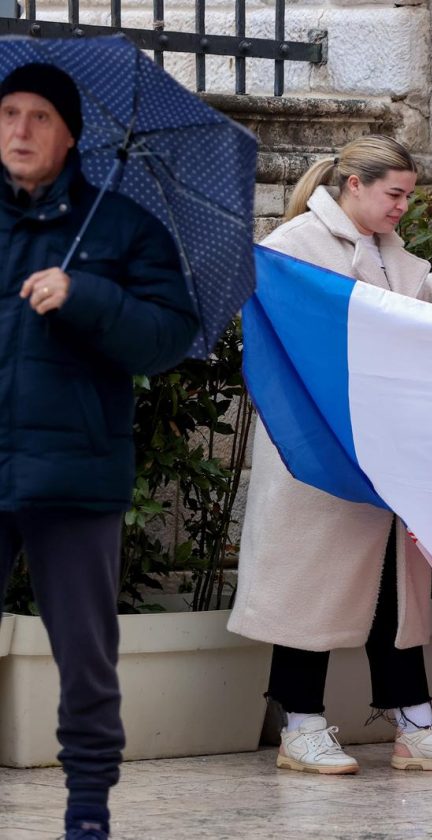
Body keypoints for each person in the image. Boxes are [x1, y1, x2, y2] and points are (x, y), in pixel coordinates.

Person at [229, 135, 432, 776]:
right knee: (312, 589)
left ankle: (413, 722)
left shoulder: (389, 253)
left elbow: (418, 301)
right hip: (317, 457)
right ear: (353, 185)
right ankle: (300, 726)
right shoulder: (291, 249)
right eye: (395, 194)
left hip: (380, 453)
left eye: (409, 196)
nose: (402, 208)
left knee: (396, 595)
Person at [0, 64, 199, 840]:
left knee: (85, 659)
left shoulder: (123, 228)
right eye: (8, 113)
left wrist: (88, 296)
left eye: (38, 117)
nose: (18, 131)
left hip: (76, 475)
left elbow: (166, 338)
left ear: (71, 134)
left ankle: (87, 811)